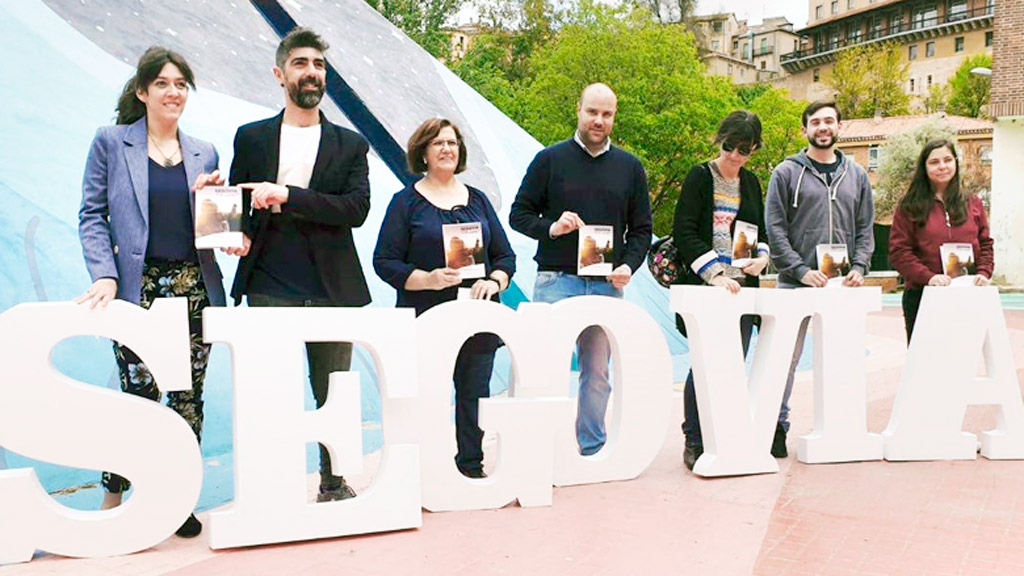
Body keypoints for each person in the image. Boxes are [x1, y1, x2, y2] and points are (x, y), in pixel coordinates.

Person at [77, 46, 225, 538]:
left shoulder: (205, 151)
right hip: (136, 288)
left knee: (188, 399)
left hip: (194, 287)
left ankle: (178, 499)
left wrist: (221, 214)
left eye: (181, 84)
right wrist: (105, 273)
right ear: (142, 91)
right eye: (162, 83)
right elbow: (91, 215)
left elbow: (212, 229)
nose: (173, 92)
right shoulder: (111, 142)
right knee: (137, 398)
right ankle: (114, 495)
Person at [227, 27, 371, 502]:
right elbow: (238, 204)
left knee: (335, 393)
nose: (312, 72)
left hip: (334, 286)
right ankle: (274, 487)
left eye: (319, 65)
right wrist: (231, 230)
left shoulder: (351, 144)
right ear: (279, 74)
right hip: (270, 281)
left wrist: (290, 196)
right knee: (272, 390)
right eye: (301, 63)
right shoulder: (251, 138)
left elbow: (355, 209)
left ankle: (333, 483)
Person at [509, 83, 652, 456]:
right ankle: (541, 452)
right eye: (592, 112)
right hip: (556, 281)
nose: (598, 121)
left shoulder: (630, 167)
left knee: (598, 373)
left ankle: (592, 449)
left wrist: (628, 265)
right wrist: (552, 228)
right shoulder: (549, 160)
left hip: (606, 285)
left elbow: (641, 230)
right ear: (578, 109)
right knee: (545, 369)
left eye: (607, 114)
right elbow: (518, 214)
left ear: (614, 117)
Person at [373, 118, 515, 478]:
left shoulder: (478, 200)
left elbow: (505, 257)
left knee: (475, 396)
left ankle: (471, 467)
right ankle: (431, 474)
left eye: (452, 143)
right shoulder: (405, 203)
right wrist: (428, 279)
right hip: (426, 316)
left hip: (477, 318)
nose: (447, 149)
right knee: (429, 397)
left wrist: (495, 281)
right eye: (438, 143)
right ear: (423, 152)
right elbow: (384, 261)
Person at [765, 101, 874, 458]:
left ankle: (840, 428)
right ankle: (775, 426)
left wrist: (860, 266)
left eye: (829, 120)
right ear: (805, 130)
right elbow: (775, 228)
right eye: (815, 122)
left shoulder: (857, 175)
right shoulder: (785, 172)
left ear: (840, 126)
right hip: (795, 282)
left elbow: (865, 228)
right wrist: (800, 270)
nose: (823, 127)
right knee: (786, 358)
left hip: (841, 287)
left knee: (842, 357)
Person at [672, 111, 770, 471]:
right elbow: (684, 231)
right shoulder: (700, 176)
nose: (734, 155)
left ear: (754, 149)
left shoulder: (752, 182)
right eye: (729, 146)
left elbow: (760, 231)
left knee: (732, 365)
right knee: (703, 364)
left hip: (741, 291)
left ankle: (722, 436)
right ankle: (694, 439)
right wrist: (713, 274)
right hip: (706, 289)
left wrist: (762, 258)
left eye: (743, 150)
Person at [889, 138, 993, 342]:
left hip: (966, 294)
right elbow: (899, 252)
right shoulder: (909, 206)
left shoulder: (973, 203)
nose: (942, 166)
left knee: (963, 355)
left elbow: (986, 244)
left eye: (947, 160)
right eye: (934, 162)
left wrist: (983, 272)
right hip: (922, 295)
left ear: (955, 162)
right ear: (924, 167)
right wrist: (929, 277)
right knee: (925, 358)